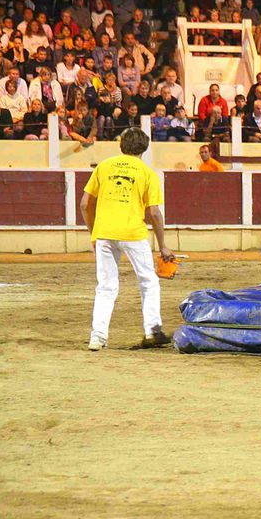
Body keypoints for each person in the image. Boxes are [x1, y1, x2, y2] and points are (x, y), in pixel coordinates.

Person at [79, 127, 174, 351]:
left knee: (106, 286)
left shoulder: (103, 166)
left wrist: (94, 233)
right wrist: (163, 246)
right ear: (144, 147)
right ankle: (152, 331)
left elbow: (84, 204)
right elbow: (154, 213)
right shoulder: (148, 173)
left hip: (104, 232)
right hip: (133, 233)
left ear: (121, 145)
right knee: (148, 282)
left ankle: (97, 337)